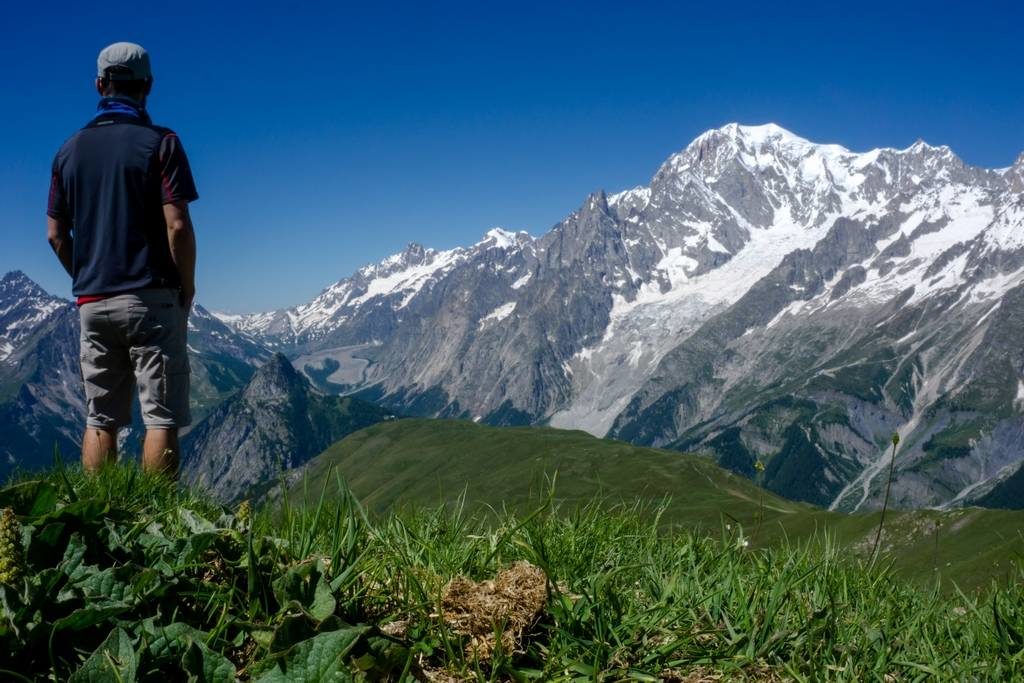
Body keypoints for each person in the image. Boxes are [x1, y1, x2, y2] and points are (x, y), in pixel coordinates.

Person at [46, 42, 198, 477]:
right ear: (147, 86)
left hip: (92, 302)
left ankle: (97, 518)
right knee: (161, 415)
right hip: (149, 297)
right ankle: (157, 526)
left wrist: (87, 275)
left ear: (99, 84)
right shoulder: (162, 143)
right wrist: (185, 284)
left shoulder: (67, 152)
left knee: (100, 416)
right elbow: (178, 225)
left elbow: (55, 234)